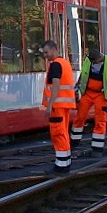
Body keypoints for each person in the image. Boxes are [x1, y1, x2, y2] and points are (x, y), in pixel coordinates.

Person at [72, 46, 107, 157]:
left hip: (101, 95)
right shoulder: (89, 60)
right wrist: (77, 85)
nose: (92, 63)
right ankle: (73, 143)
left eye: (93, 61)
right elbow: (83, 74)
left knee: (100, 120)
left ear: (99, 58)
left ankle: (97, 149)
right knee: (80, 116)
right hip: (87, 93)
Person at [40, 40, 79, 173]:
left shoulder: (55, 65)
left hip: (57, 106)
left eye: (46, 52)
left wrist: (49, 106)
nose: (45, 56)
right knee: (63, 134)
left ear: (54, 49)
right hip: (64, 106)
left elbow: (56, 86)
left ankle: (61, 167)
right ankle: (65, 163)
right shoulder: (65, 63)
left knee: (58, 134)